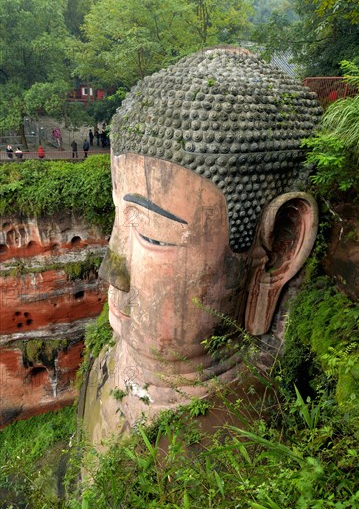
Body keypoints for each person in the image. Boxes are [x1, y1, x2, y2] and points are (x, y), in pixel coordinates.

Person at [84, 46, 321, 442]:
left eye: (151, 235)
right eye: (116, 218)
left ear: (280, 249)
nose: (112, 271)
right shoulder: (105, 360)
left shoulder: (239, 449)